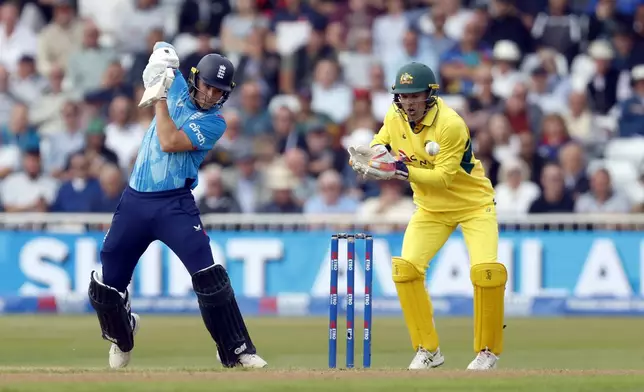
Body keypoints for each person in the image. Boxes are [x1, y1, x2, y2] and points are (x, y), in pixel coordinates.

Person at [87, 42, 267, 370]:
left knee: (209, 277)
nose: (212, 95)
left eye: (219, 91)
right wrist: (163, 57)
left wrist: (158, 97)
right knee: (105, 286)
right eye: (208, 86)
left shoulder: (215, 123)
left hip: (175, 205)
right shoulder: (178, 85)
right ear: (195, 78)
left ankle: (236, 349)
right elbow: (157, 57)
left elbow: (169, 142)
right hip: (135, 202)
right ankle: (122, 334)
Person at [349, 62, 506, 370]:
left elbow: (444, 178)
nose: (409, 103)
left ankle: (487, 351)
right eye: (403, 96)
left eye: (415, 95)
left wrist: (397, 170)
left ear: (430, 94)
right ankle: (428, 349)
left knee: (486, 273)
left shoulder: (450, 124)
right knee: (405, 270)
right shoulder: (395, 115)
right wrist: (372, 155)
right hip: (430, 209)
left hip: (474, 205)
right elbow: (382, 141)